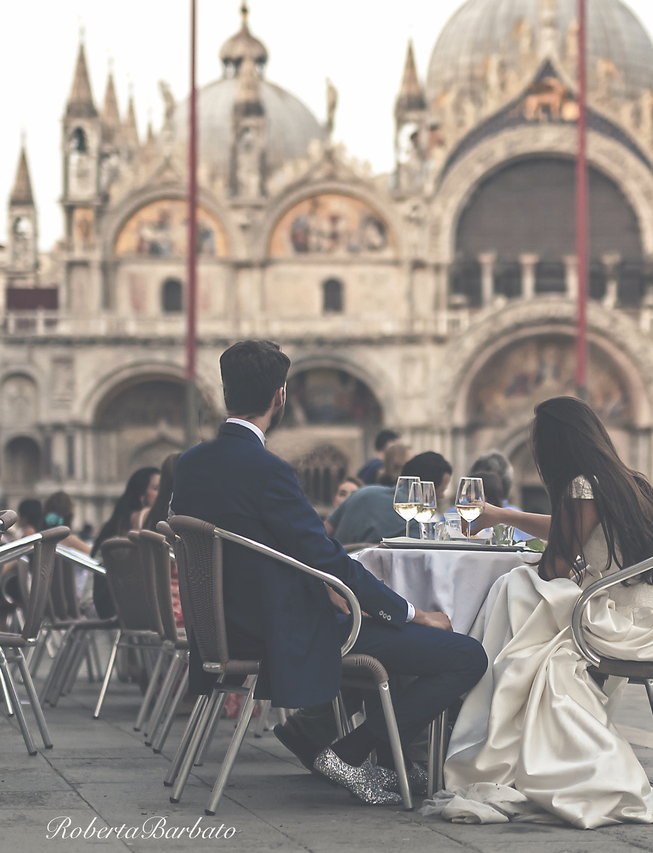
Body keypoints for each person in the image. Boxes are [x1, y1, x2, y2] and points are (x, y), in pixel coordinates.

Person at [171, 340, 486, 805]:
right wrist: (412, 612)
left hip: (223, 632)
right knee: (465, 655)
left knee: (392, 637)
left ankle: (381, 756)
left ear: (225, 392)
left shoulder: (189, 463)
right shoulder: (268, 470)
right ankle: (350, 752)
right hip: (280, 632)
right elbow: (327, 558)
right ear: (280, 396)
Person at [425, 396, 653, 828]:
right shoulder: (624, 480)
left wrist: (526, 553)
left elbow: (558, 565)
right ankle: (505, 721)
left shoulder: (581, 483)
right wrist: (502, 515)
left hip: (633, 624)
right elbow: (571, 529)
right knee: (529, 607)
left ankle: (484, 715)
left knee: (520, 600)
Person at [327, 450, 452, 547]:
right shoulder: (419, 523)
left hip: (332, 574)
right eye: (441, 490)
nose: (442, 496)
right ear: (427, 488)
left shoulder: (363, 493)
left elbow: (325, 531)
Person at [91, 466, 160, 618]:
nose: (162, 494)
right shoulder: (144, 519)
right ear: (141, 495)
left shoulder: (118, 522)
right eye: (156, 488)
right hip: (128, 607)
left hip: (110, 604)